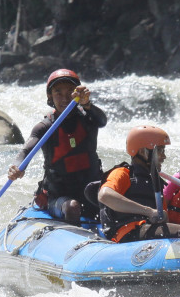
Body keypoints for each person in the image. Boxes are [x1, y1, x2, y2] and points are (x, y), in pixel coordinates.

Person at [7, 68, 107, 225]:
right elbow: (25, 151)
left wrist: (87, 103)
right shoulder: (45, 127)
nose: (65, 98)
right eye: (58, 92)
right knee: (72, 207)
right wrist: (16, 166)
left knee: (115, 199)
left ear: (77, 94)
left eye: (70, 92)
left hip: (89, 193)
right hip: (59, 197)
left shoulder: (89, 119)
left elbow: (102, 121)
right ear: (50, 96)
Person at [98, 125, 180, 242]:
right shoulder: (123, 173)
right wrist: (149, 212)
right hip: (127, 232)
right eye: (160, 151)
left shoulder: (156, 182)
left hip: (147, 233)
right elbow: (104, 196)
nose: (164, 156)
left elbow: (165, 222)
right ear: (143, 151)